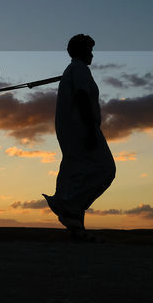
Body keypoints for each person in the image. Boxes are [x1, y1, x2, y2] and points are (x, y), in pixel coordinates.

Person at [43, 33, 115, 242]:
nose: (92, 54)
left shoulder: (73, 70)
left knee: (76, 171)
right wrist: (91, 129)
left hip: (71, 128)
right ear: (82, 51)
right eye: (90, 50)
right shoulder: (80, 69)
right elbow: (83, 97)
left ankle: (76, 226)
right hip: (81, 128)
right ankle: (68, 207)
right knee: (105, 169)